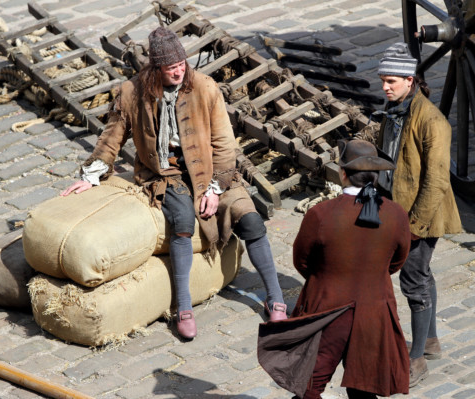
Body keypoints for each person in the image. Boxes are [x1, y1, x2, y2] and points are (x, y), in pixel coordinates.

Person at [60, 26, 287, 340]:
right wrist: (91, 175)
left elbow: (224, 146)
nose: (179, 71)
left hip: (211, 171)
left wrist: (215, 188)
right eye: (171, 68)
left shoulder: (206, 88)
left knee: (251, 222)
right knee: (181, 221)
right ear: (156, 69)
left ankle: (275, 297)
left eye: (182, 65)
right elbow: (112, 136)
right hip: (165, 173)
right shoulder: (132, 92)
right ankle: (183, 307)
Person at [257, 139, 411, 399]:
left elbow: (302, 261)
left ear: (342, 174)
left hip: (328, 310)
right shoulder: (396, 214)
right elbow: (397, 261)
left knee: (309, 385)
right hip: (374, 312)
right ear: (375, 176)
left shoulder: (320, 214)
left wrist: (327, 277)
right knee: (364, 389)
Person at [375, 42, 462, 386]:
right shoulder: (395, 109)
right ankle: (430, 340)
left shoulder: (432, 121)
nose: (385, 86)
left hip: (421, 215)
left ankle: (416, 361)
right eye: (383, 80)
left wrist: (414, 228)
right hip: (398, 208)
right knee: (421, 273)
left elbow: (437, 179)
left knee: (413, 281)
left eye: (391, 81)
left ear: (410, 81)